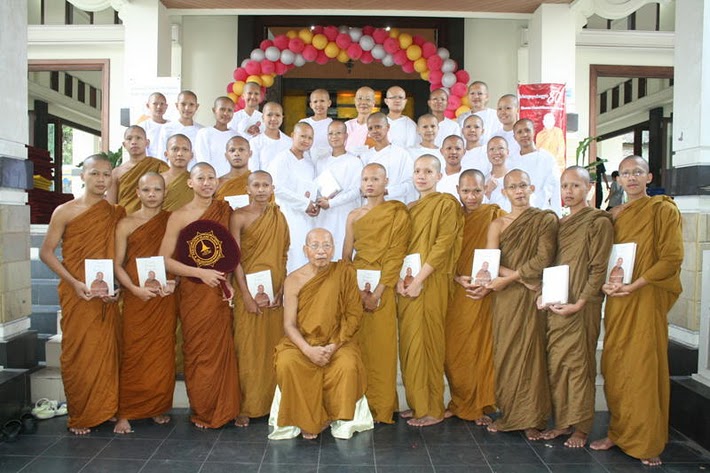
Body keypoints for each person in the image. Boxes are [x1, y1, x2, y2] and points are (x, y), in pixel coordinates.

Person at [591, 156, 683, 467]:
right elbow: (604, 256)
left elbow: (671, 258)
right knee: (615, 365)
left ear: (649, 177)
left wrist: (636, 284)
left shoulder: (662, 210)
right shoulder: (615, 214)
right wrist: (606, 283)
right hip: (618, 298)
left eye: (638, 172)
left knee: (642, 367)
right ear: (618, 179)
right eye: (626, 173)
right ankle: (618, 432)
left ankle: (646, 441)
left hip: (645, 296)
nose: (631, 178)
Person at [39, 154, 125, 435]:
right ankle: (81, 412)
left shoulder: (115, 213)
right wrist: (74, 282)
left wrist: (117, 286)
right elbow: (46, 252)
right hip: (77, 292)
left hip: (105, 294)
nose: (101, 179)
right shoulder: (65, 211)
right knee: (79, 351)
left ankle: (105, 408)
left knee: (107, 352)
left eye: (106, 174)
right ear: (83, 176)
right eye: (95, 173)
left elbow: (119, 256)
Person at [159, 163, 240, 428]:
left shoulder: (225, 211)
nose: (207, 183)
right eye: (201, 178)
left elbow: (231, 253)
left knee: (221, 349)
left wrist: (229, 283)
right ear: (190, 183)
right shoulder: (179, 216)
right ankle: (204, 410)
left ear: (217, 181)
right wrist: (199, 273)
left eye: (211, 178)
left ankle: (226, 409)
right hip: (194, 290)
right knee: (198, 350)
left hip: (219, 290)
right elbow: (164, 260)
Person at [539, 166, 613, 448]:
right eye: (564, 186)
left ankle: (581, 428)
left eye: (575, 186)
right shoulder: (560, 224)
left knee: (580, 366)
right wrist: (544, 294)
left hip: (582, 305)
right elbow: (552, 264)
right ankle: (562, 423)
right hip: (558, 302)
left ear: (589, 188)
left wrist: (580, 302)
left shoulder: (598, 222)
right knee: (557, 365)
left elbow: (598, 267)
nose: (568, 192)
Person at [273, 228, 368, 439]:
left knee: (347, 364)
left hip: (337, 340)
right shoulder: (293, 279)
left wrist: (332, 346)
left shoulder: (344, 272)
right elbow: (289, 324)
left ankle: (331, 416)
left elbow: (354, 315)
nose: (321, 251)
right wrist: (308, 350)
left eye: (326, 245)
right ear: (305, 250)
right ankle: (305, 418)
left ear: (333, 249)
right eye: (315, 246)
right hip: (303, 342)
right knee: (287, 362)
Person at [484, 169, 558, 440]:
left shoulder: (545, 219)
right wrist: (519, 279)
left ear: (532, 188)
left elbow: (544, 258)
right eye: (513, 187)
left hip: (532, 295)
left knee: (532, 353)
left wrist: (515, 278)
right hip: (507, 296)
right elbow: (490, 262)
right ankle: (510, 413)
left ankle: (532, 418)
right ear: (504, 192)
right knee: (507, 352)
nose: (518, 191)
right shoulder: (498, 224)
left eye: (523, 186)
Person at [342, 163, 412, 424]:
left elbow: (396, 253)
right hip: (357, 288)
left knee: (382, 348)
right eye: (365, 179)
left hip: (384, 285)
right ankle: (357, 405)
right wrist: (356, 290)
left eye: (375, 179)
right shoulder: (353, 215)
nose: (369, 184)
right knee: (357, 346)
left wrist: (378, 292)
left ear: (386, 182)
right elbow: (346, 256)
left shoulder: (396, 212)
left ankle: (381, 407)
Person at [397, 155, 463, 427]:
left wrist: (420, 279)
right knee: (411, 344)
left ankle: (433, 408)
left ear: (439, 176)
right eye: (417, 171)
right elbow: (400, 246)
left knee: (430, 344)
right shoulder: (410, 208)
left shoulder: (446, 204)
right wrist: (402, 279)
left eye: (427, 171)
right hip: (408, 282)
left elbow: (443, 244)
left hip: (431, 281)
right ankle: (418, 403)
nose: (421, 176)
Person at [113, 172, 177, 434]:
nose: (152, 195)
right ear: (137, 193)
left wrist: (175, 282)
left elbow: (179, 259)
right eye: (147, 190)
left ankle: (155, 406)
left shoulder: (172, 221)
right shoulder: (126, 224)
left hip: (164, 298)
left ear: (165, 193)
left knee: (162, 353)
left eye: (157, 190)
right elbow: (117, 264)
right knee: (134, 351)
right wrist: (133, 289)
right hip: (136, 297)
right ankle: (126, 411)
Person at [444, 169, 504, 424]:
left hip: (485, 291)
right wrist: (457, 277)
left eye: (477, 191)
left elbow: (506, 252)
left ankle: (480, 405)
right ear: (457, 191)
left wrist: (490, 283)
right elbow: (442, 253)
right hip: (456, 290)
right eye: (466, 191)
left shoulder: (495, 215)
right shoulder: (451, 217)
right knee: (454, 350)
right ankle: (459, 401)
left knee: (481, 347)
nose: (471, 197)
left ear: (485, 190)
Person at [230, 170, 289, 427]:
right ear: (248, 188)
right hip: (247, 292)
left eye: (266, 185)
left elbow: (283, 254)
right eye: (256, 185)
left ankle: (273, 404)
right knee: (247, 349)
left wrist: (281, 289)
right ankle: (247, 406)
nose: (262, 189)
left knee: (272, 349)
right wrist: (245, 295)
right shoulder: (239, 216)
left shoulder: (279, 216)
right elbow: (234, 258)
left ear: (272, 188)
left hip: (273, 293)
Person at [267, 122, 318, 273]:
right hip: (287, 214)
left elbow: (312, 188)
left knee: (307, 252)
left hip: (307, 217)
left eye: (309, 138)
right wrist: (304, 203)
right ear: (292, 136)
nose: (306, 140)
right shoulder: (282, 159)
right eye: (302, 136)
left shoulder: (309, 163)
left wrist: (314, 205)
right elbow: (276, 188)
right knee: (292, 253)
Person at [313, 120, 363, 257]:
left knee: (343, 252)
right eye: (331, 133)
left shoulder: (354, 162)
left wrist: (332, 203)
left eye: (338, 133)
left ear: (346, 136)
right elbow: (316, 187)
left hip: (345, 213)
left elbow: (356, 191)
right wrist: (319, 201)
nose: (334, 137)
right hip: (325, 215)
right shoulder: (321, 161)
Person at [107, 125, 168, 214]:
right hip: (124, 219)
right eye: (129, 139)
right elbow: (111, 206)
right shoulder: (116, 172)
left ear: (147, 143)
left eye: (138, 138)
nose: (134, 142)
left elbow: (167, 195)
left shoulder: (159, 165)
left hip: (152, 218)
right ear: (124, 144)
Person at [508, 118, 562, 216]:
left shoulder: (547, 158)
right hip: (517, 215)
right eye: (519, 132)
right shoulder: (510, 161)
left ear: (534, 131)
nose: (524, 135)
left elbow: (555, 190)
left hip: (542, 213)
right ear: (514, 137)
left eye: (527, 130)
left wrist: (557, 216)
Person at [361, 112, 415, 204]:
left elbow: (410, 184)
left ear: (388, 127)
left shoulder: (401, 154)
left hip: (394, 204)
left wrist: (387, 191)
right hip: (370, 206)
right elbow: (362, 185)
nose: (374, 131)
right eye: (370, 128)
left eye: (378, 127)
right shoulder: (365, 156)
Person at [194, 96, 236, 177]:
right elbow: (203, 161)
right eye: (222, 109)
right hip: (210, 180)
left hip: (232, 180)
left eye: (230, 110)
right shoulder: (204, 133)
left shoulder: (236, 136)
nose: (226, 113)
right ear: (214, 110)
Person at [157, 90, 203, 164]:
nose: (187, 108)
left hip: (195, 170)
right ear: (177, 105)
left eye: (191, 104)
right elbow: (161, 156)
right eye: (183, 104)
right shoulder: (167, 128)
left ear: (197, 107)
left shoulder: (202, 131)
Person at [251, 102, 292, 171]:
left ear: (282, 117)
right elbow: (253, 170)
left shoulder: (290, 142)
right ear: (263, 117)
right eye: (269, 115)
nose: (273, 118)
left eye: (277, 115)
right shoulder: (255, 142)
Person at [161, 134, 195, 211]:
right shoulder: (157, 180)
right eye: (175, 149)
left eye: (185, 149)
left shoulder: (196, 181)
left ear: (191, 155)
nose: (180, 154)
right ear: (166, 154)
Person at [215, 136, 252, 202]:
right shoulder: (217, 183)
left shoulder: (257, 182)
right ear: (226, 156)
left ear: (250, 153)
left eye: (241, 150)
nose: (236, 154)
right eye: (232, 150)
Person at [300, 89, 333, 160]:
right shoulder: (304, 123)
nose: (319, 104)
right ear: (311, 105)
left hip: (327, 163)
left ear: (329, 103)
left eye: (322, 101)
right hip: (306, 162)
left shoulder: (333, 125)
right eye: (315, 101)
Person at [345, 86, 376, 155]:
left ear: (373, 103)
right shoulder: (347, 126)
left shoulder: (378, 127)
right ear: (355, 101)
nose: (363, 102)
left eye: (368, 99)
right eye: (360, 98)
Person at [484, 136, 512, 212]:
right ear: (487, 154)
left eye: (501, 148)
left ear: (507, 152)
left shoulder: (517, 177)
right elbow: (479, 211)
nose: (496, 152)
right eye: (492, 149)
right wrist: (488, 191)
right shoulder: (483, 181)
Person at [139, 92, 169, 159]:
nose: (159, 107)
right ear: (148, 105)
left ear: (166, 106)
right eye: (155, 104)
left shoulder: (172, 126)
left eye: (162, 104)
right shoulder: (142, 127)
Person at [436, 135, 466, 200]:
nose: (453, 152)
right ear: (441, 151)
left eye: (457, 149)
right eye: (449, 148)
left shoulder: (469, 177)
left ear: (464, 152)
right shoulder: (435, 176)